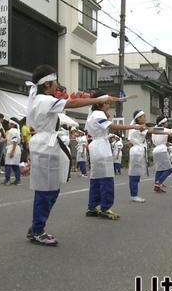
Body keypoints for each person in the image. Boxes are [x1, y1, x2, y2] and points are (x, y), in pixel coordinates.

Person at [24, 65, 119, 246]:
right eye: (56, 82)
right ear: (48, 84)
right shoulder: (44, 99)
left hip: (46, 145)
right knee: (46, 191)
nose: (58, 85)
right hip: (45, 146)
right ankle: (37, 230)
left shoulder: (41, 99)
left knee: (50, 190)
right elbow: (72, 103)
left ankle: (37, 226)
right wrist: (97, 99)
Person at [85, 91, 144, 220]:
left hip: (96, 146)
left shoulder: (92, 113)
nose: (109, 104)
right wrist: (134, 126)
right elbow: (112, 126)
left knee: (96, 178)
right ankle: (105, 208)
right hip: (101, 147)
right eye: (107, 102)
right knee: (106, 178)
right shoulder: (98, 113)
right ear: (100, 103)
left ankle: (92, 207)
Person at [151, 116, 172, 193]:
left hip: (156, 150)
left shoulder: (155, 128)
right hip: (162, 150)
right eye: (166, 122)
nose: (167, 124)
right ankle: (158, 183)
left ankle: (157, 186)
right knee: (169, 169)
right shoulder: (164, 129)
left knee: (159, 169)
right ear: (162, 123)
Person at [2, 119, 21, 185]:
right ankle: (17, 180)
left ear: (13, 124)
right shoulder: (15, 131)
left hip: (13, 147)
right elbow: (8, 139)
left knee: (8, 165)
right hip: (15, 148)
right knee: (15, 165)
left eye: (10, 123)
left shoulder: (13, 131)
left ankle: (7, 180)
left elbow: (14, 141)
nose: (8, 124)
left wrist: (12, 151)